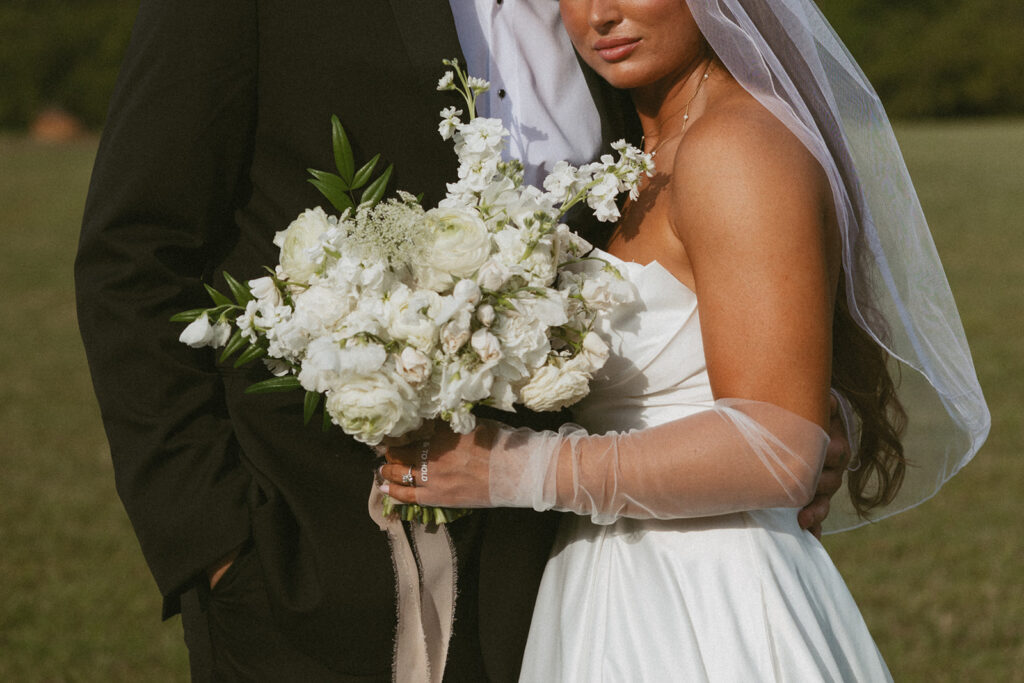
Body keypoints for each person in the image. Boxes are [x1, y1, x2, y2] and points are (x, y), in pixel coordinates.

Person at [76, 1, 852, 680]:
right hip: (305, 566)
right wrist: (215, 546)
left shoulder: (639, 70)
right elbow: (136, 253)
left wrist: (777, 410)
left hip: (556, 575)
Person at [378, 0, 990, 679]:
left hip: (706, 595)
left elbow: (780, 450)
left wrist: (513, 469)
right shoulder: (639, 147)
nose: (599, 15)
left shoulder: (736, 147)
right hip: (610, 577)